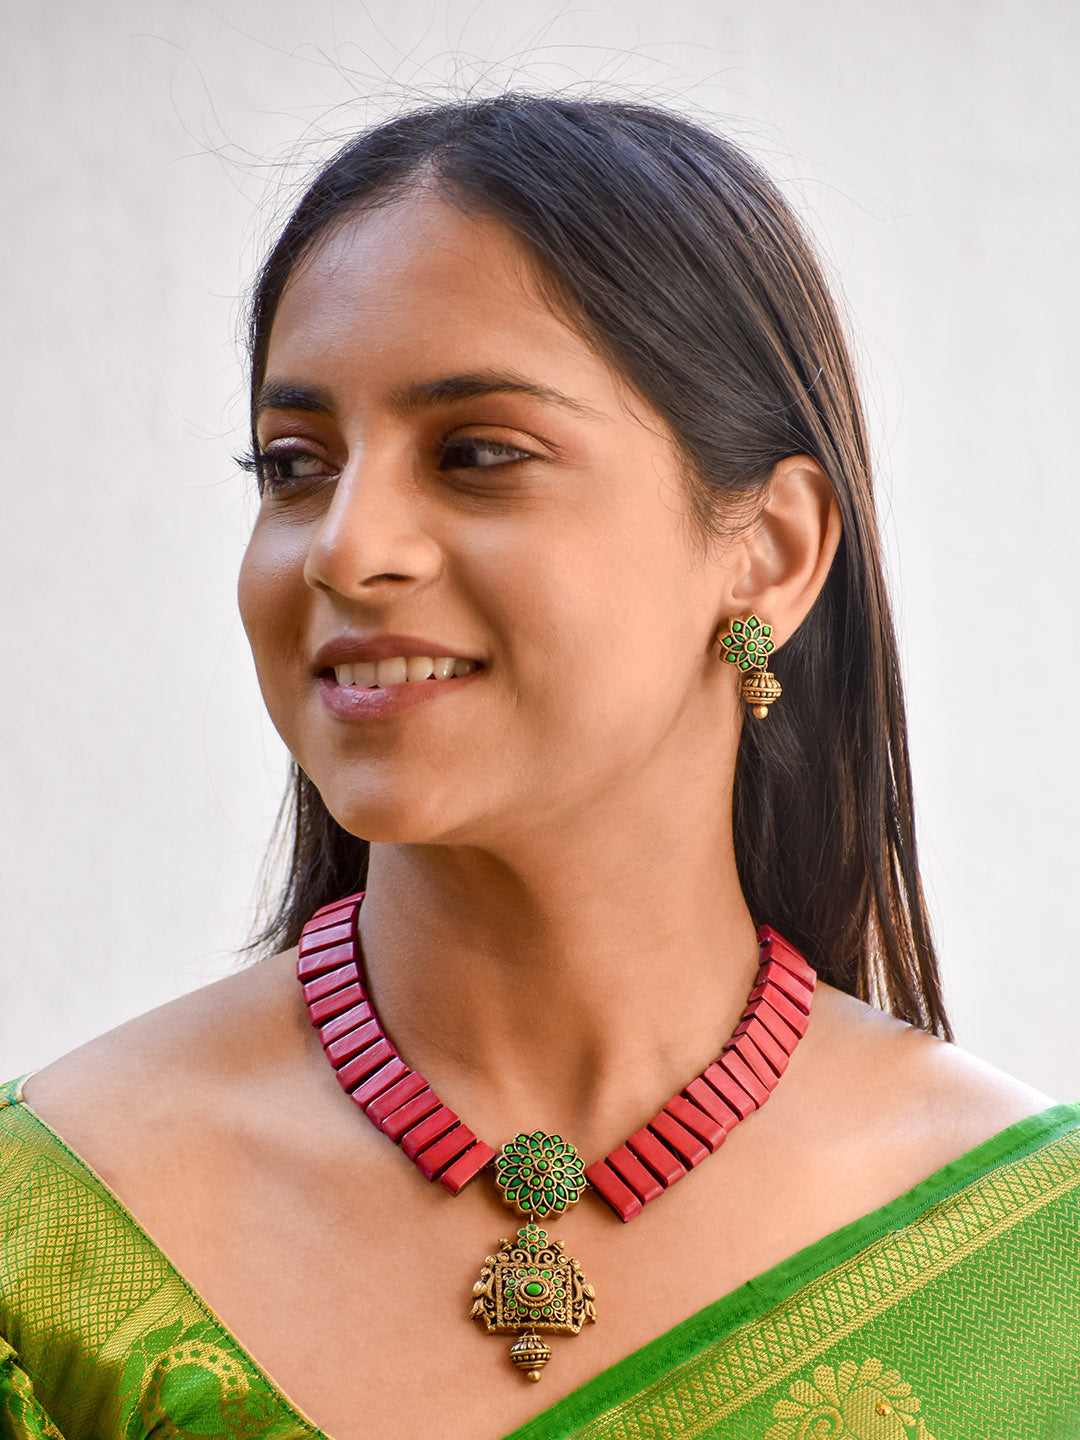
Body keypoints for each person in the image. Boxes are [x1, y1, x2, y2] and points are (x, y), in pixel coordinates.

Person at [2, 93, 1078, 1440]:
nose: (344, 546)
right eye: (296, 464)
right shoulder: (51, 1257)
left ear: (771, 552)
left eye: (477, 455)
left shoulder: (1037, 1281)